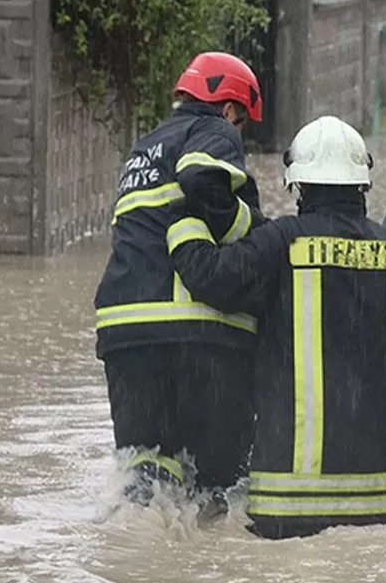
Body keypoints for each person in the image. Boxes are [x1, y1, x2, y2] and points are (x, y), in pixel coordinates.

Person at [165, 115, 386, 540]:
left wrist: (182, 221)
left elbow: (211, 280)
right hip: (376, 506)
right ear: (362, 183)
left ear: (297, 185)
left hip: (287, 503)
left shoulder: (280, 245)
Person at [93, 51, 268, 512]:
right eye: (242, 120)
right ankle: (202, 578)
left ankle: (141, 567)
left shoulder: (144, 147)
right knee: (216, 482)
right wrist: (247, 227)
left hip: (123, 336)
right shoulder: (213, 131)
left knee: (146, 474)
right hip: (192, 331)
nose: (239, 131)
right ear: (230, 108)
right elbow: (201, 179)